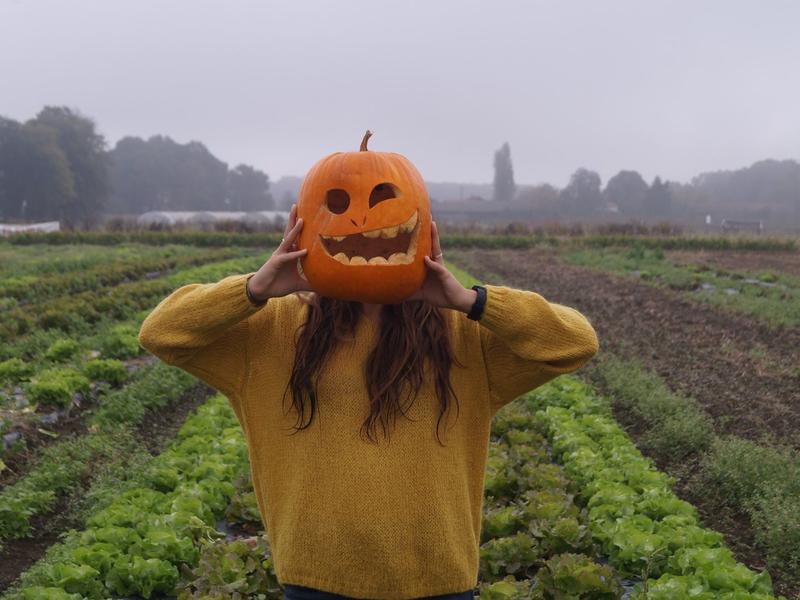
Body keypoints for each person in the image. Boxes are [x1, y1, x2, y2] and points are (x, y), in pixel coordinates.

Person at [138, 205, 599, 600]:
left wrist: (470, 300)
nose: (361, 219)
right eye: (337, 204)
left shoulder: (465, 337)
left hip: (437, 579)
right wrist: (253, 290)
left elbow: (574, 343)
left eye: (386, 201)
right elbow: (162, 334)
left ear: (422, 232)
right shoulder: (272, 332)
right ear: (308, 229)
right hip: (316, 579)